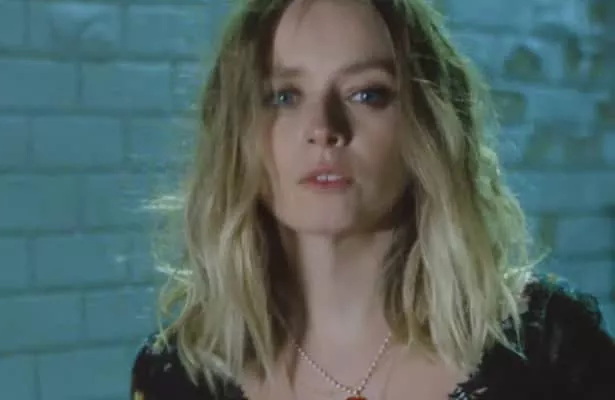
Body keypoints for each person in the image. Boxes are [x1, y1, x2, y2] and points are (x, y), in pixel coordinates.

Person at [130, 0, 615, 399]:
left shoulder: (548, 348)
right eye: (284, 96)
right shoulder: (179, 376)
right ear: (236, 135)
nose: (324, 129)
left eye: (366, 94)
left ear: (425, 128)